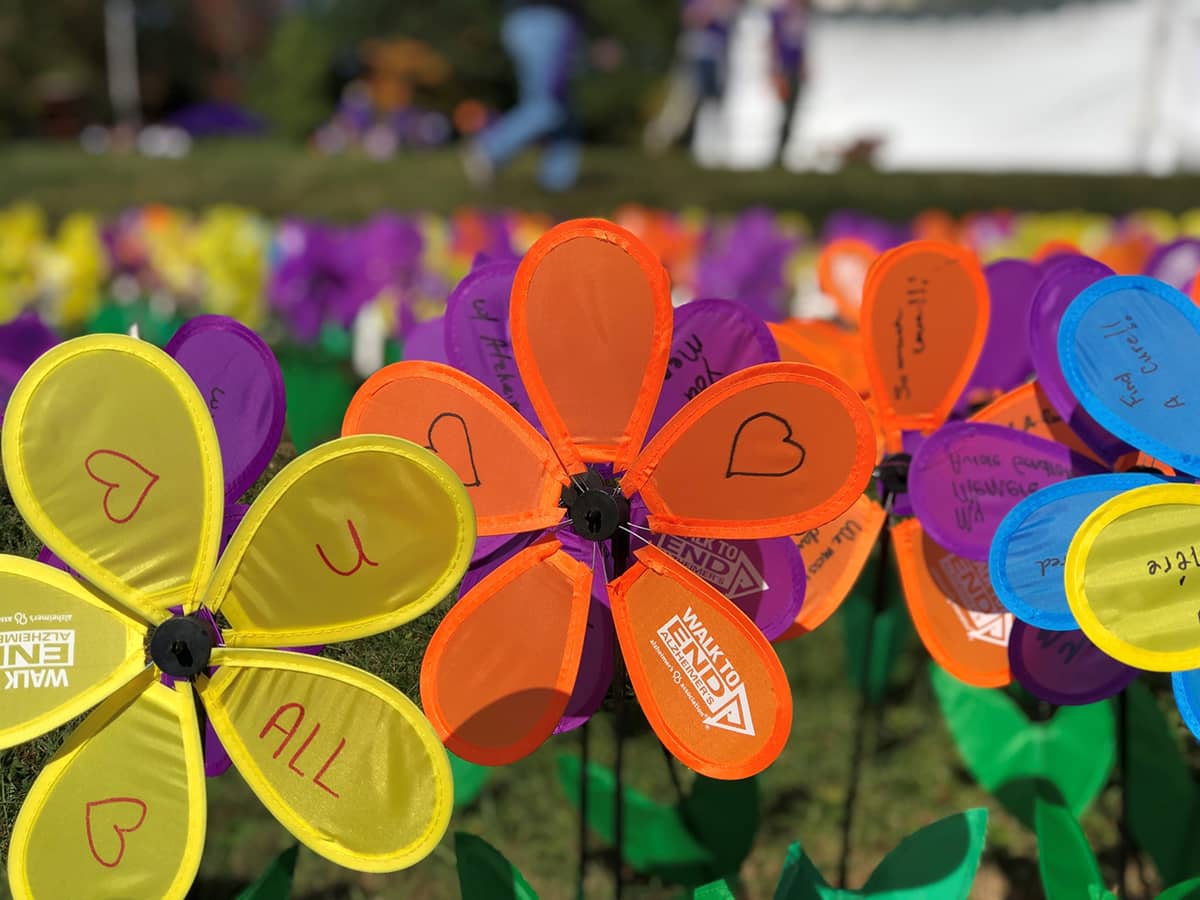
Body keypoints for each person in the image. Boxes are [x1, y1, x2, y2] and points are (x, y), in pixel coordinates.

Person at [462, 0, 583, 192]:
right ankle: (490, 149)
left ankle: (557, 181)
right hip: (545, 19)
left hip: (524, 20)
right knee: (548, 106)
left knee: (560, 106)